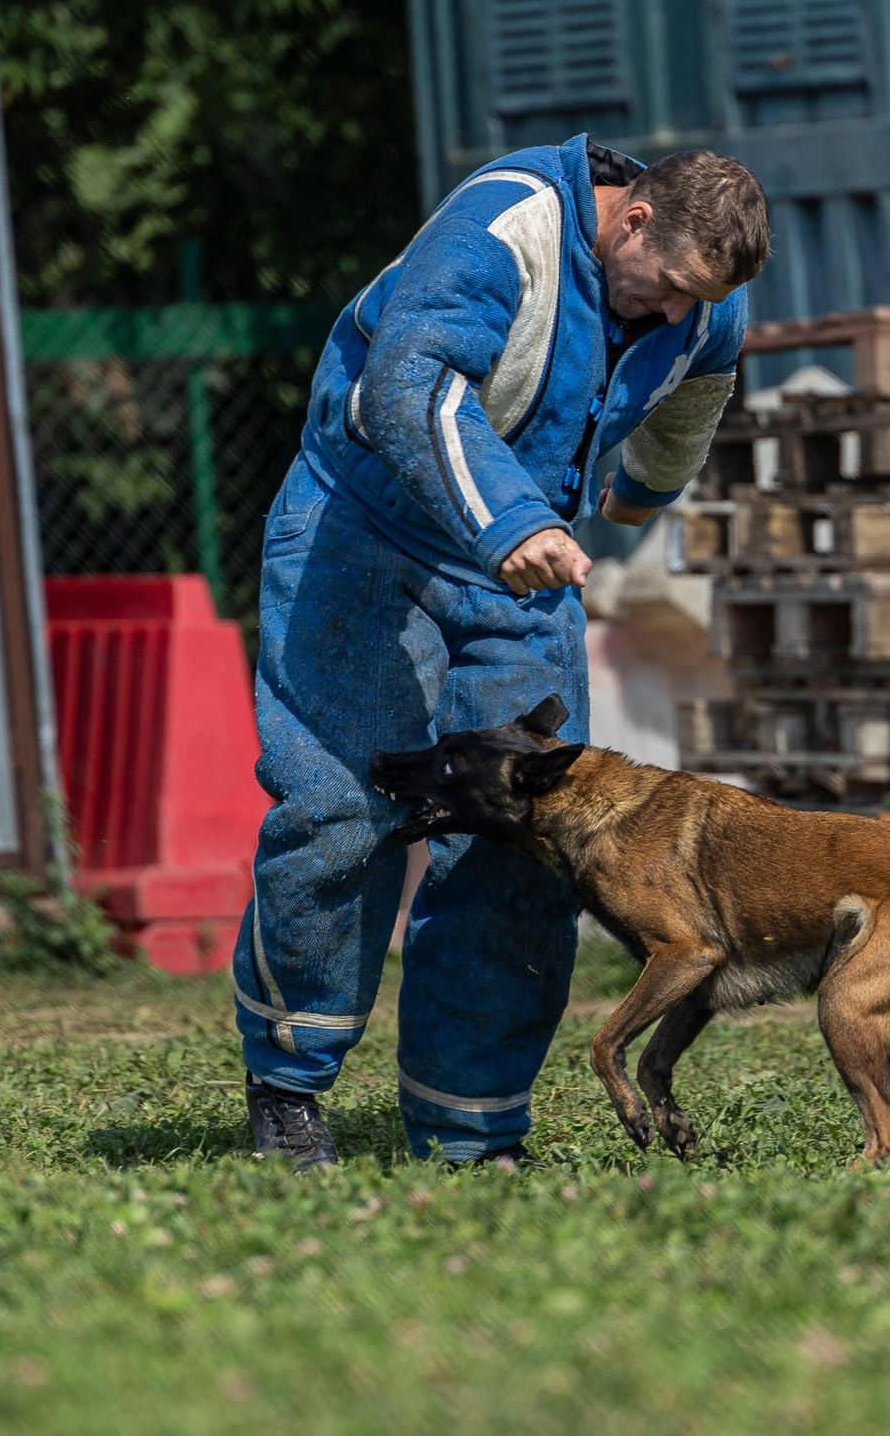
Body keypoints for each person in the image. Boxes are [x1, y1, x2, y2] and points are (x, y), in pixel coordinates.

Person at [236, 137, 771, 1168]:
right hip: (365, 527)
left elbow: (698, 387)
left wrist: (641, 493)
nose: (673, 314)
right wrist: (513, 522)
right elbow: (408, 388)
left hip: (521, 554)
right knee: (340, 811)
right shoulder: (501, 227)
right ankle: (290, 1081)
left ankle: (471, 1125)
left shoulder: (702, 300)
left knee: (532, 829)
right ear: (634, 220)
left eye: (692, 303)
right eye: (664, 288)